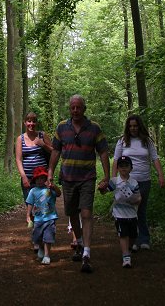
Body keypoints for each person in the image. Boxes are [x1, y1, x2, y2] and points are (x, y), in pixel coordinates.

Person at [47, 94, 110, 273]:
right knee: (72, 213)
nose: (75, 110)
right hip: (68, 178)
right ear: (70, 109)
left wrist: (106, 177)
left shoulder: (94, 128)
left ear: (84, 109)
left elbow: (103, 152)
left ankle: (87, 253)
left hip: (87, 178)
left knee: (86, 212)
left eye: (78, 107)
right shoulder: (62, 127)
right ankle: (80, 243)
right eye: (72, 107)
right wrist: (50, 172)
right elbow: (55, 151)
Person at [112, 114, 165, 251]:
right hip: (127, 181)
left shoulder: (147, 141)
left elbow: (155, 158)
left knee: (141, 210)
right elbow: (116, 160)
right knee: (131, 210)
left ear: (139, 126)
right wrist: (114, 180)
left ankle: (144, 238)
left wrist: (161, 175)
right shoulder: (123, 141)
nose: (133, 128)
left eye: (135, 126)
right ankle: (133, 241)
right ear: (127, 127)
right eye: (130, 126)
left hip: (144, 180)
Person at [100, 155, 141, 268]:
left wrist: (135, 200)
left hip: (132, 213)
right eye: (121, 166)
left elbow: (139, 198)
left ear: (131, 168)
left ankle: (128, 249)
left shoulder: (134, 183)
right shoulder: (115, 182)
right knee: (123, 235)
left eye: (126, 166)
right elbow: (104, 192)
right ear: (117, 168)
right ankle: (126, 257)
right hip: (119, 213)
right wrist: (101, 187)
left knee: (133, 235)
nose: (123, 168)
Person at [26, 166, 61, 265]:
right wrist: (28, 215)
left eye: (42, 178)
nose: (40, 181)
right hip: (38, 219)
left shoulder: (50, 189)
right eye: (38, 179)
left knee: (48, 236)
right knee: (37, 237)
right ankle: (41, 248)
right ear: (35, 180)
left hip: (50, 217)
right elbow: (30, 203)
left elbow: (59, 194)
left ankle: (47, 255)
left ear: (46, 179)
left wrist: (54, 186)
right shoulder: (33, 191)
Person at [15, 111, 53, 202]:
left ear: (36, 123)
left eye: (34, 121)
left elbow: (54, 152)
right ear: (25, 122)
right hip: (28, 179)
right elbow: (18, 159)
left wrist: (43, 144)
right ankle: (30, 216)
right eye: (29, 121)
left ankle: (42, 216)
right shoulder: (20, 139)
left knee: (43, 204)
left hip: (43, 178)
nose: (31, 124)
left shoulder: (42, 135)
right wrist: (23, 177)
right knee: (30, 206)